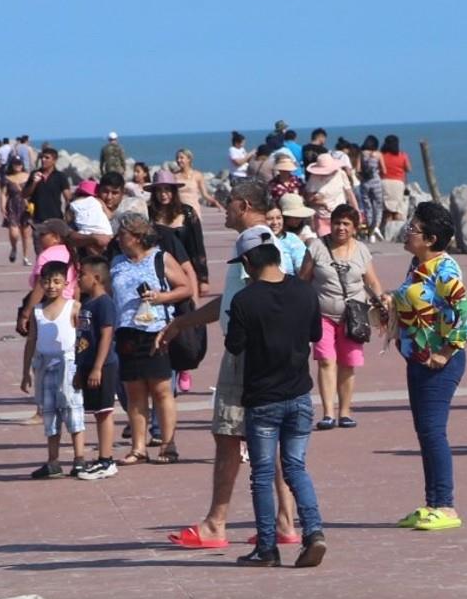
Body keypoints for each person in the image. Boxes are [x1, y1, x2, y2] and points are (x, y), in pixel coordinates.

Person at [158, 181, 299, 549]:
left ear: (244, 204)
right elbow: (232, 302)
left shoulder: (256, 242)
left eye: (229, 203)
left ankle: (215, 523)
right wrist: (182, 322)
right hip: (266, 353)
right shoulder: (262, 243)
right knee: (272, 437)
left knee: (228, 436)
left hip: (246, 356)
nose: (223, 208)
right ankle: (285, 521)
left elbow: (260, 300)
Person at [226, 227, 327, 568]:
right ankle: (313, 532)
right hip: (299, 393)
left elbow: (234, 345)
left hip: (263, 398)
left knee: (263, 473)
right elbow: (315, 333)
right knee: (296, 467)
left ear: (247, 262)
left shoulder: (245, 300)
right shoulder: (304, 291)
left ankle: (267, 547)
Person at [391, 202, 467, 532]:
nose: (407, 232)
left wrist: (447, 350)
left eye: (413, 228)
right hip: (417, 360)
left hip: (438, 364)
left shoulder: (444, 271)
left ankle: (446, 506)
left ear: (430, 238)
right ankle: (431, 504)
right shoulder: (418, 266)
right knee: (425, 433)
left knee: (433, 431)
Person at [109, 214, 191, 465]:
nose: (118, 239)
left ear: (135, 236)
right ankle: (138, 447)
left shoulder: (160, 257)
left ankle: (168, 445)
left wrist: (160, 297)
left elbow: (185, 287)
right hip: (126, 331)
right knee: (134, 392)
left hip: (155, 331)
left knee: (161, 390)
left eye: (122, 234)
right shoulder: (116, 262)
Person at [300, 205, 384, 429]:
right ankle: (328, 413)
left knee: (348, 363)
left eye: (346, 224)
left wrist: (382, 299)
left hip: (354, 316)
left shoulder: (361, 250)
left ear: (355, 228)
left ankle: (345, 412)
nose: (341, 228)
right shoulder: (317, 247)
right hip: (322, 315)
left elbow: (372, 281)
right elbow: (303, 279)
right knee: (326, 360)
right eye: (337, 222)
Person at [21, 261, 87, 478]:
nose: (51, 286)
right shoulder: (37, 311)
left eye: (57, 281)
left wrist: (84, 365)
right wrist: (25, 372)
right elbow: (31, 340)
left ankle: (79, 459)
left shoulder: (74, 306)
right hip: (44, 365)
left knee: (72, 409)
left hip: (68, 364)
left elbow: (82, 337)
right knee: (49, 413)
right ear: (41, 283)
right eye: (47, 281)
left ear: (66, 283)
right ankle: (53, 461)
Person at [73, 256, 120, 480]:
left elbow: (106, 335)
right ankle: (103, 458)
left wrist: (97, 367)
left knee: (104, 411)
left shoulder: (104, 303)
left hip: (103, 365)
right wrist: (79, 368)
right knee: (97, 412)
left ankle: (107, 460)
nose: (78, 279)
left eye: (82, 275)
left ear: (97, 278)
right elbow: (82, 338)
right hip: (87, 364)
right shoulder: (87, 303)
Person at [148, 171, 208, 298]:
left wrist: (203, 279)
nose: (163, 194)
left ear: (174, 191)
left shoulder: (188, 213)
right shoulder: (149, 214)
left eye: (167, 189)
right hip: (159, 272)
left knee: (189, 313)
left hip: (186, 271)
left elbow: (198, 247)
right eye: (159, 190)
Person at [17, 219, 78, 336]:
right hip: (68, 304)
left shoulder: (47, 255)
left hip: (50, 304)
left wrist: (26, 314)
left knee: (41, 341)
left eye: (43, 234)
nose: (38, 237)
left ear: (56, 237)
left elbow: (40, 287)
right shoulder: (72, 253)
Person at [305, 152, 359, 237]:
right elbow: (308, 199)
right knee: (325, 243)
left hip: (340, 216)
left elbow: (350, 194)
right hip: (321, 217)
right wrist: (322, 203)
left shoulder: (341, 174)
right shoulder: (314, 177)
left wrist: (357, 211)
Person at [24, 147, 72, 231]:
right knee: (39, 243)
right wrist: (34, 183)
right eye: (42, 157)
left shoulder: (60, 176)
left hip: (56, 218)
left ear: (54, 160)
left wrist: (68, 215)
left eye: (47, 158)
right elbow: (24, 194)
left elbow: (68, 198)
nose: (43, 160)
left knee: (56, 243)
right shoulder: (34, 174)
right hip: (38, 219)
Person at [2, 157, 33, 265]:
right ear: (12, 165)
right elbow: (3, 194)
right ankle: (14, 247)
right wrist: (2, 207)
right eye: (15, 164)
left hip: (25, 206)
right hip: (12, 206)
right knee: (14, 233)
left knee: (25, 234)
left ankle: (25, 257)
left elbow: (33, 190)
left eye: (19, 163)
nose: (18, 166)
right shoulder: (8, 178)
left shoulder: (28, 176)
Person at [173, 149, 220, 215]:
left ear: (189, 159)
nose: (178, 160)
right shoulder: (174, 176)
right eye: (177, 158)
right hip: (179, 211)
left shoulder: (197, 175)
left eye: (181, 158)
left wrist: (215, 202)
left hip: (194, 211)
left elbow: (204, 194)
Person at [379, 134, 412, 224]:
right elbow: (409, 169)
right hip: (398, 183)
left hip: (384, 182)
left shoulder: (381, 156)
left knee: (387, 211)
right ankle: (398, 231)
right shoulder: (402, 155)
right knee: (398, 210)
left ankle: (385, 232)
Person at [357, 135, 385, 242]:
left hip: (365, 183)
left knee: (367, 206)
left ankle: (371, 233)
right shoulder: (378, 154)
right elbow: (384, 170)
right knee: (378, 205)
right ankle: (376, 227)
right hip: (376, 182)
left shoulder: (362, 154)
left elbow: (358, 169)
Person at [264, 205, 303, 275]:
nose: (275, 222)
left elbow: (301, 266)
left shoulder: (292, 239)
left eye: (278, 218)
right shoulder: (256, 242)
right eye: (269, 219)